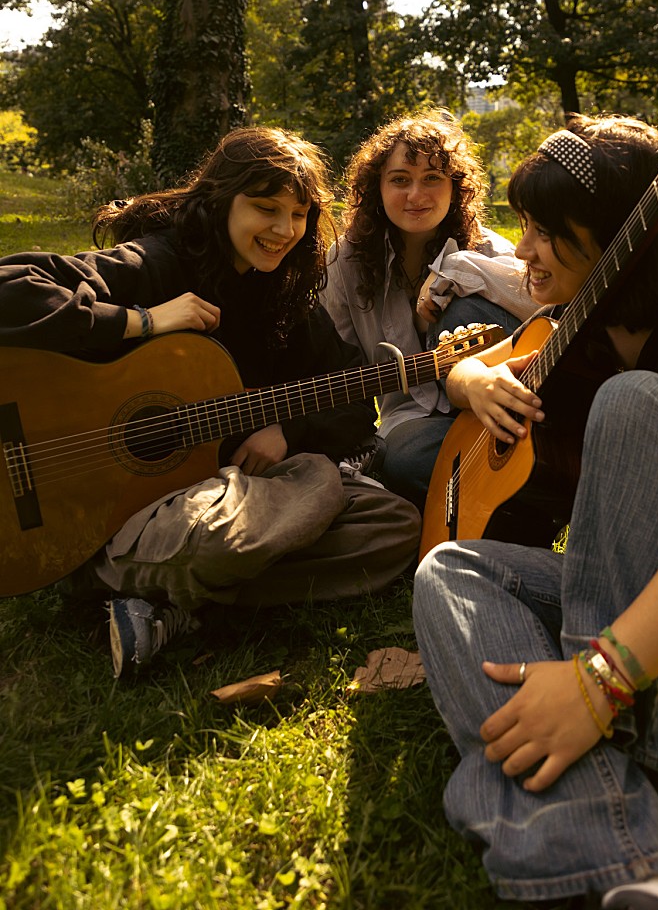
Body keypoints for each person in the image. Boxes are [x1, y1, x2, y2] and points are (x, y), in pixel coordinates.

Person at [412, 115, 658, 909]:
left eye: (550, 232)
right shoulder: (583, 319)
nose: (523, 251)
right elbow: (476, 363)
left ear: (626, 238)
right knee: (450, 571)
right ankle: (629, 854)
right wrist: (470, 384)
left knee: (633, 405)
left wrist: (599, 677)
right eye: (525, 224)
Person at [0, 127, 421, 678]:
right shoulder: (161, 261)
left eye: (297, 215)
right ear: (222, 199)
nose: (282, 230)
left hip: (212, 502)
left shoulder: (283, 294)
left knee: (393, 526)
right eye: (264, 208)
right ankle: (98, 570)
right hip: (130, 514)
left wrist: (287, 433)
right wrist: (142, 321)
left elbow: (349, 390)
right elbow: (10, 286)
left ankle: (165, 599)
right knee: (255, 517)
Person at [321, 111, 532, 510]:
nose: (416, 195)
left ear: (455, 188)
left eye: (432, 178)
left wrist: (455, 270)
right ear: (376, 188)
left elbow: (545, 306)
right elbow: (341, 369)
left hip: (501, 403)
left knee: (466, 304)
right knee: (402, 459)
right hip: (417, 424)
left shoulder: (486, 250)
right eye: (400, 180)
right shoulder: (344, 262)